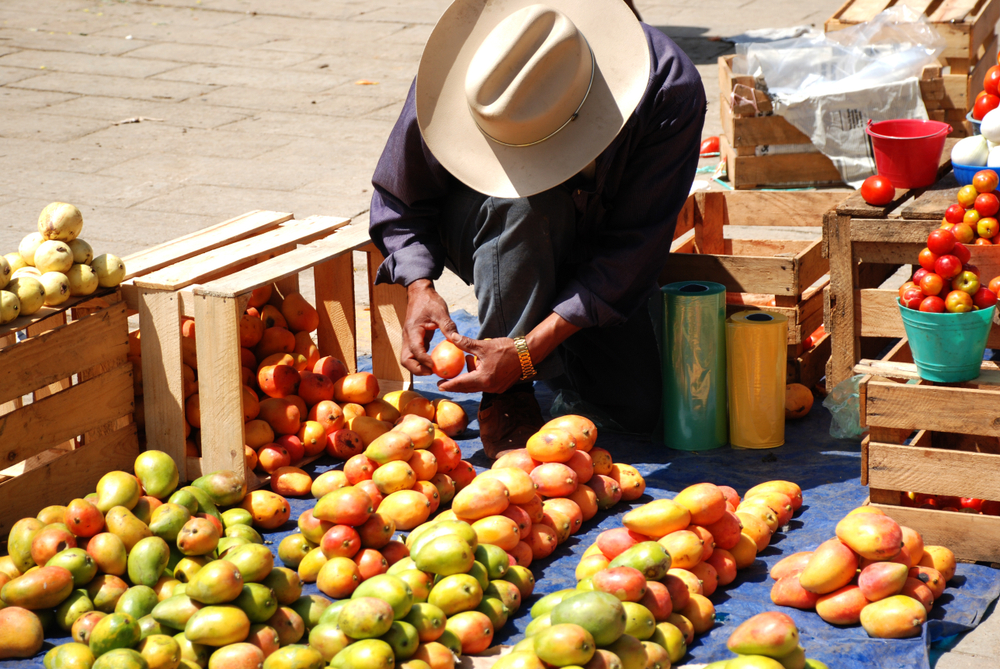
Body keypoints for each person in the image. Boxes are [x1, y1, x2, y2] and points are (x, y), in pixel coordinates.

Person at [369, 0, 706, 457]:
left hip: (594, 240)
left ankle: (538, 339)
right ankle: (508, 396)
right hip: (495, 222)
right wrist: (418, 286)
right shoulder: (470, 72)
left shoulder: (668, 85)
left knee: (635, 409)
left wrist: (531, 348)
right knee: (527, 206)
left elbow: (635, 245)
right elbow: (400, 196)